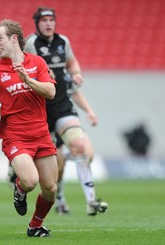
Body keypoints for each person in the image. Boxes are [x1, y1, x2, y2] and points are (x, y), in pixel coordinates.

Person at [0, 19, 58, 237]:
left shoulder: (37, 63)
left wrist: (28, 80)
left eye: (0, 38)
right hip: (15, 137)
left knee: (51, 189)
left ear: (14, 38)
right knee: (29, 181)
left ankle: (35, 226)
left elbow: (51, 92)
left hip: (41, 134)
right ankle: (19, 190)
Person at [23, 7, 108, 216]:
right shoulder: (32, 44)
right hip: (41, 108)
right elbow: (24, 70)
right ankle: (58, 199)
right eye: (44, 20)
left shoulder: (63, 42)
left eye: (52, 19)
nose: (49, 23)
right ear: (37, 23)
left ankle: (91, 201)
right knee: (56, 162)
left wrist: (76, 73)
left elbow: (72, 63)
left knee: (80, 146)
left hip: (62, 105)